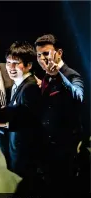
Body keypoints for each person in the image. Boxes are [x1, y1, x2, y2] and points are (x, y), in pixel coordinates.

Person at [34, 34, 85, 182]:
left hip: (67, 153)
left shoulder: (71, 75)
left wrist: (57, 76)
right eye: (38, 55)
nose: (42, 59)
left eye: (45, 53)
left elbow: (78, 96)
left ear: (59, 53)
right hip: (47, 152)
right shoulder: (45, 76)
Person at [0, 41, 42, 177]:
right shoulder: (17, 85)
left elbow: (29, 122)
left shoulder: (30, 87)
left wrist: (0, 123)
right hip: (16, 154)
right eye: (8, 63)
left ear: (29, 65)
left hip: (26, 157)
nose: (11, 67)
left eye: (16, 63)